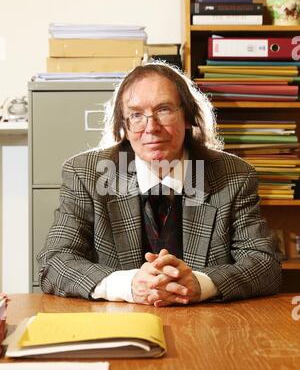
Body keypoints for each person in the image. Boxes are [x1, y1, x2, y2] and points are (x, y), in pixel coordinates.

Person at [38, 62, 281, 306]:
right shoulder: (86, 174)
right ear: (123, 126)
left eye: (164, 110)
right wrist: (128, 285)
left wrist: (200, 283)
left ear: (187, 116)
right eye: (136, 115)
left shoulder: (234, 176)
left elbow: (264, 264)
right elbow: (55, 261)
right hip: (118, 326)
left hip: (208, 325)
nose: (151, 128)